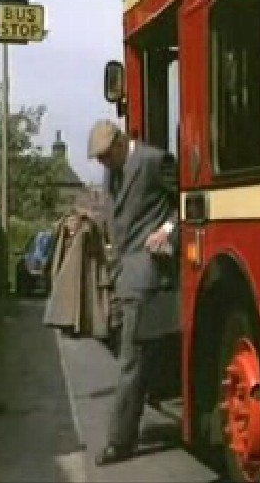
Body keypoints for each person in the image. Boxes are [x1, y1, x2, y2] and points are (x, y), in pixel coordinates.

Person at [87, 119, 179, 465]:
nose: (102, 163)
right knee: (133, 353)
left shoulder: (155, 161)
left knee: (132, 360)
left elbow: (187, 200)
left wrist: (167, 230)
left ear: (121, 143)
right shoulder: (112, 170)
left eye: (105, 156)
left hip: (148, 274)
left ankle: (120, 441)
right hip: (123, 274)